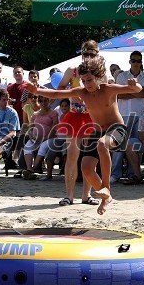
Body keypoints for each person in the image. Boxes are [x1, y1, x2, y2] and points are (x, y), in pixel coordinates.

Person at [26, 56, 142, 215]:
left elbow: (137, 90)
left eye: (89, 80)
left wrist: (134, 85)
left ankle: (106, 188)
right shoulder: (82, 92)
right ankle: (104, 196)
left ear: (98, 77)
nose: (86, 84)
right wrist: (37, 90)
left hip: (116, 128)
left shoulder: (108, 88)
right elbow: (55, 94)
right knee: (86, 168)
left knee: (102, 144)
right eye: (83, 81)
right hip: (97, 130)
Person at [51, 40, 100, 207]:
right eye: (85, 54)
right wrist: (73, 93)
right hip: (75, 116)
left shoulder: (100, 72)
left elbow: (107, 90)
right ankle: (69, 196)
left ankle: (86, 195)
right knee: (72, 156)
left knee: (90, 157)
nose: (87, 57)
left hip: (92, 117)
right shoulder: (72, 71)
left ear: (96, 55)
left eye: (91, 55)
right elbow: (60, 88)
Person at [110, 50, 144, 184]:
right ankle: (115, 174)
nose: (136, 63)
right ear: (129, 61)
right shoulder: (122, 76)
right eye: (134, 60)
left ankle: (133, 173)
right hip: (123, 115)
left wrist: (129, 90)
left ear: (141, 62)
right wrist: (137, 91)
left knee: (134, 146)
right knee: (118, 145)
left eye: (138, 61)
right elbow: (118, 94)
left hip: (140, 115)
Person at [21, 95, 58, 180]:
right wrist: (31, 136)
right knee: (27, 147)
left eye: (45, 101)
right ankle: (29, 168)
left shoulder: (53, 113)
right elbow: (30, 128)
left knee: (42, 147)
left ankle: (32, 170)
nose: (43, 103)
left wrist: (44, 138)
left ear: (49, 101)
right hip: (35, 138)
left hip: (49, 138)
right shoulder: (35, 114)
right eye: (41, 101)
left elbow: (55, 127)